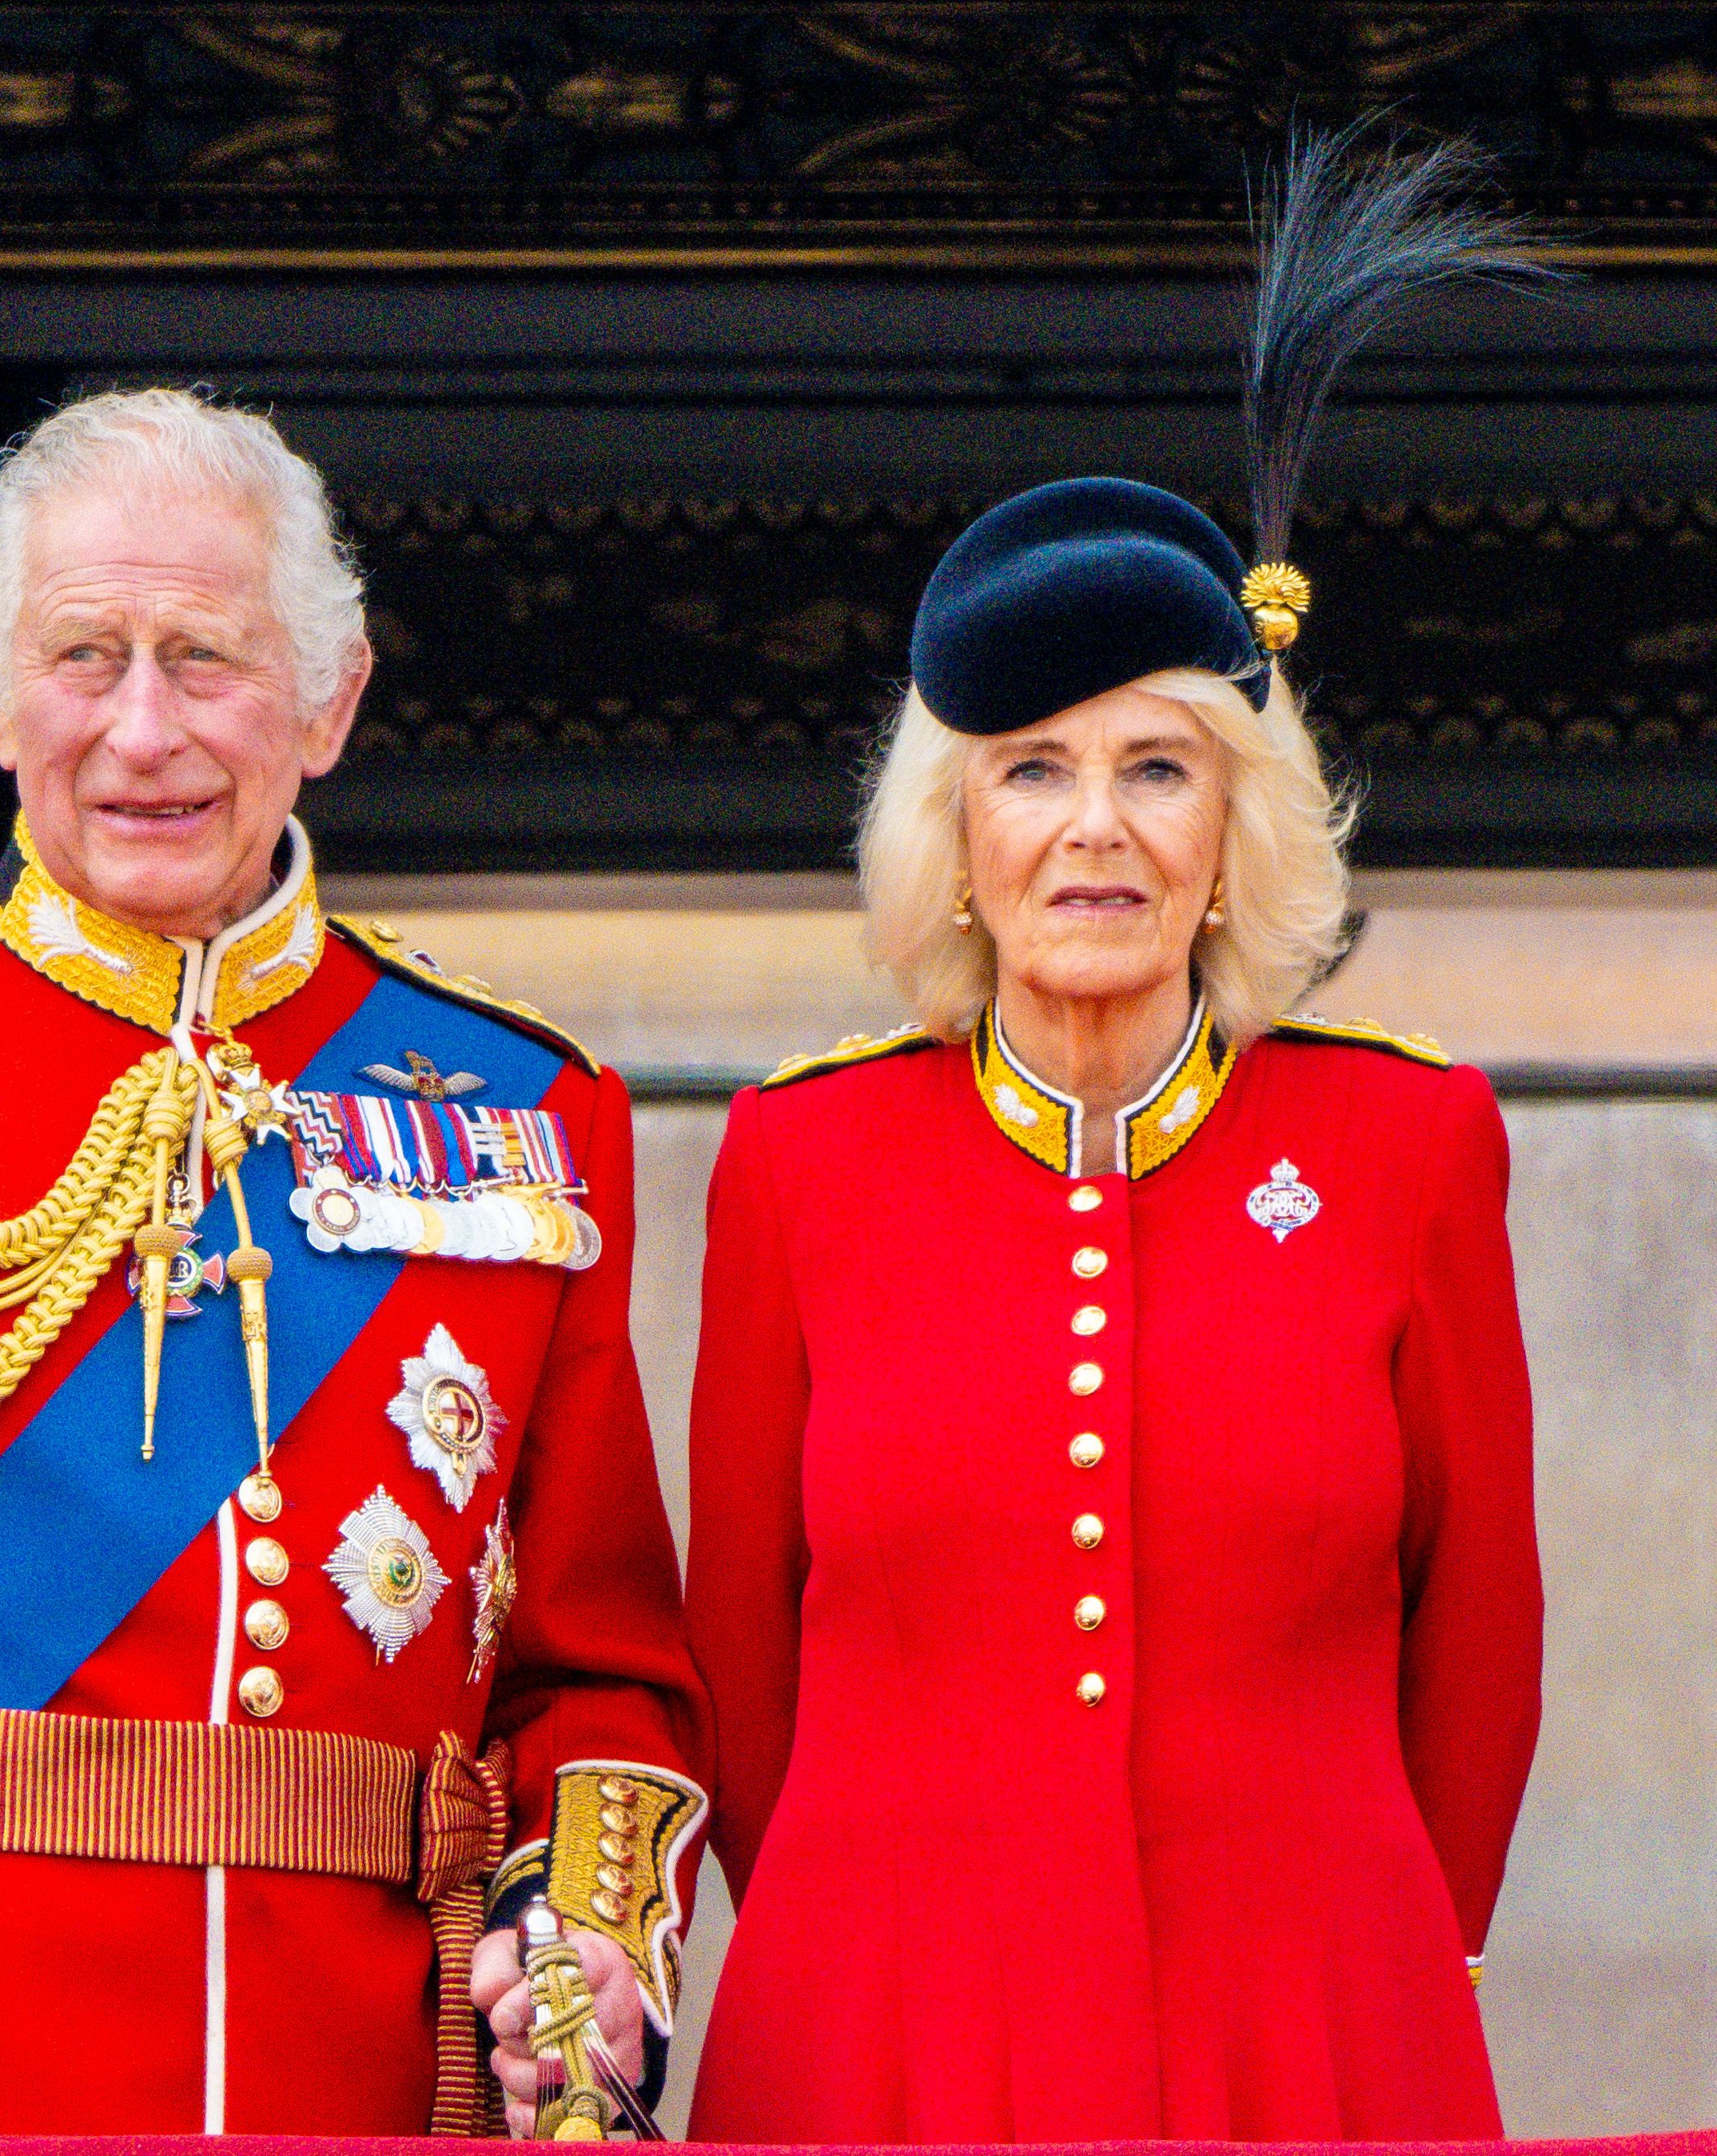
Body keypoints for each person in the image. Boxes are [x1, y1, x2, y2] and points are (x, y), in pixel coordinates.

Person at [0, 389, 707, 2137]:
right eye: (84, 656)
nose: (141, 730)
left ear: (331, 699)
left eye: (207, 659)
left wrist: (587, 1951)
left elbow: (599, 1666)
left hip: (364, 2081)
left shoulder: (527, 1107)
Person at [683, 133, 1544, 2144]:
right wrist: (859, 1928)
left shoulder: (1408, 1138)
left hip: (1316, 2006)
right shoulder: (802, 1161)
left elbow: (1479, 1632)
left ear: (1232, 830)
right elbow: (741, 1655)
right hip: (881, 2014)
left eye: (1160, 767)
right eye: (1034, 772)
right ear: (956, 843)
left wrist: (1389, 1951)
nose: (1096, 826)